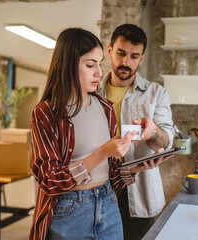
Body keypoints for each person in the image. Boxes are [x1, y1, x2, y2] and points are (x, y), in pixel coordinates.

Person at [29, 28, 168, 240]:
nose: (99, 73)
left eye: (99, 64)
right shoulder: (46, 113)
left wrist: (137, 167)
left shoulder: (105, 107)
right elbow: (49, 181)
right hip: (69, 212)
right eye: (90, 65)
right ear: (68, 65)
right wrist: (103, 152)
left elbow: (112, 175)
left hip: (108, 205)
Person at [100, 24, 174, 239]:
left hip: (139, 191)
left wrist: (153, 132)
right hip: (98, 189)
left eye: (134, 56)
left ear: (141, 59)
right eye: (121, 53)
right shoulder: (92, 91)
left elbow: (165, 141)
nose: (126, 62)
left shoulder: (156, 93)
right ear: (110, 51)